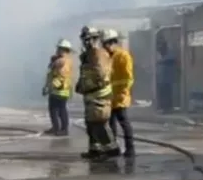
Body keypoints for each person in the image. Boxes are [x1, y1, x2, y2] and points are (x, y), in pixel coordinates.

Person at [75, 26, 120, 161]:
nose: (88, 42)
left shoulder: (98, 54)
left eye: (90, 39)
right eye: (85, 40)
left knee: (99, 123)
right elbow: (86, 74)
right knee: (90, 124)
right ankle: (95, 149)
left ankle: (112, 149)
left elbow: (100, 75)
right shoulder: (88, 55)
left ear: (96, 39)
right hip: (90, 95)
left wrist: (88, 85)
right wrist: (81, 85)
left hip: (99, 95)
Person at [102, 29, 136, 160]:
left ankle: (130, 149)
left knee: (124, 123)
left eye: (107, 43)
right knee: (110, 125)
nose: (106, 47)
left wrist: (122, 92)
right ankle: (113, 148)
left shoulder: (123, 56)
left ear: (114, 42)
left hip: (120, 96)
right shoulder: (108, 57)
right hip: (110, 97)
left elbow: (128, 78)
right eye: (104, 44)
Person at [42, 39, 73, 136]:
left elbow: (61, 76)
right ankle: (56, 127)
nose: (57, 50)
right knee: (54, 110)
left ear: (64, 50)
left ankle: (64, 129)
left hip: (60, 90)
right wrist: (47, 86)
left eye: (60, 48)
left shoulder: (64, 62)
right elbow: (51, 75)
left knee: (60, 110)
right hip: (56, 90)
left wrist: (50, 87)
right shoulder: (59, 60)